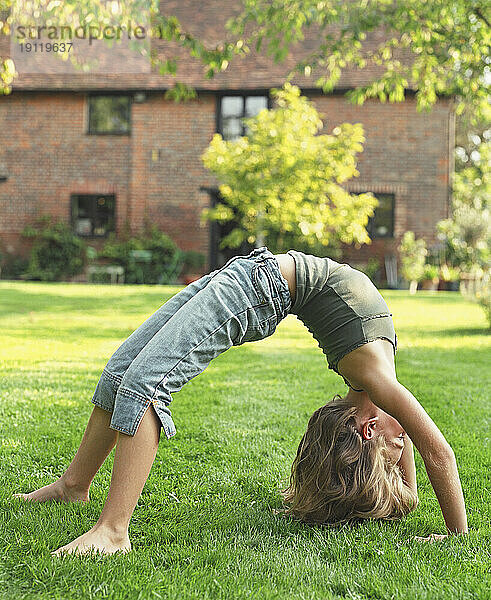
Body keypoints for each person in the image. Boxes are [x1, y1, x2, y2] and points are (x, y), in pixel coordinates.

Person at [13, 246, 468, 555]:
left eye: (395, 447)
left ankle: (113, 531)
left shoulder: (375, 384)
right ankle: (75, 485)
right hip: (248, 272)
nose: (403, 441)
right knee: (121, 372)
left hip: (257, 290)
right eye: (399, 446)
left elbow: (418, 447)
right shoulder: (380, 385)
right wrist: (447, 526)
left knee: (146, 384)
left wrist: (410, 500)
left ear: (367, 429)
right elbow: (435, 452)